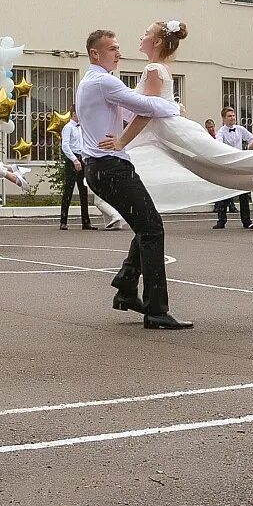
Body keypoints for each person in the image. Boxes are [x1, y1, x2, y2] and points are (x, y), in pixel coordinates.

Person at [100, 21, 253, 223]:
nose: (141, 36)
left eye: (146, 33)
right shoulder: (155, 68)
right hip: (167, 136)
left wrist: (122, 141)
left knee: (237, 163)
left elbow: (147, 110)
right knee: (226, 178)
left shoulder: (153, 68)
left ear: (158, 42)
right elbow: (146, 105)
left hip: (175, 133)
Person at [76, 27, 190, 330]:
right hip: (110, 167)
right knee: (152, 229)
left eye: (118, 47)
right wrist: (174, 107)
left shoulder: (96, 82)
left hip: (106, 167)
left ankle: (127, 289)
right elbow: (145, 106)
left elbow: (129, 113)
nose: (119, 52)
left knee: (145, 227)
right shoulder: (102, 81)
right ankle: (156, 310)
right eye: (113, 48)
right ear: (95, 54)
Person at [214, 107, 253, 230]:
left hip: (240, 163)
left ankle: (246, 220)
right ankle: (221, 220)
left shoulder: (240, 129)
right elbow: (218, 144)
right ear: (224, 118)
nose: (232, 118)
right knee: (224, 192)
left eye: (233, 115)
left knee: (243, 193)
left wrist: (248, 150)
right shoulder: (221, 132)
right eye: (229, 116)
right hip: (228, 164)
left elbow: (252, 139)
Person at [58, 106, 95, 230]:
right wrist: (74, 160)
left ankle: (86, 221)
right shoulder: (68, 128)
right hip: (72, 159)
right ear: (74, 114)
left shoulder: (81, 128)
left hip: (82, 158)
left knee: (83, 190)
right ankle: (63, 221)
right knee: (68, 189)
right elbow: (65, 146)